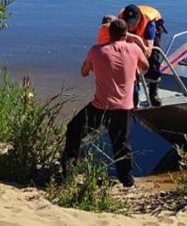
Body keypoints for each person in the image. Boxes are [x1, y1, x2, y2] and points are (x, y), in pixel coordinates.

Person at [62, 18, 148, 187]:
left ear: (109, 33)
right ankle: (127, 182)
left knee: (73, 130)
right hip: (123, 108)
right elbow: (145, 66)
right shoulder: (134, 50)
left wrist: (95, 64)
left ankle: (68, 173)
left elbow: (84, 73)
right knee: (122, 146)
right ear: (126, 34)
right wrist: (135, 42)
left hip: (100, 107)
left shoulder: (96, 51)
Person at [97, 4, 166, 106]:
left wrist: (138, 61)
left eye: (133, 23)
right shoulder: (121, 20)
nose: (130, 26)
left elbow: (148, 51)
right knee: (128, 59)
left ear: (138, 20)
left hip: (154, 23)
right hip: (132, 34)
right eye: (128, 23)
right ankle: (133, 98)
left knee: (153, 59)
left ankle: (153, 93)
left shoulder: (149, 24)